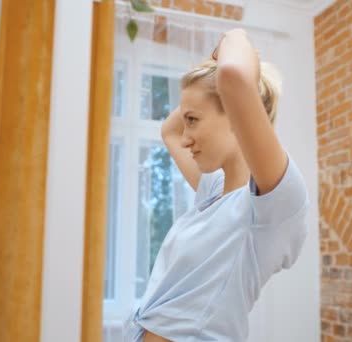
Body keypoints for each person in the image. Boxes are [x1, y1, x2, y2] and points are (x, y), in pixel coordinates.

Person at [123, 28, 310, 342]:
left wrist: (231, 37)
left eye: (193, 120)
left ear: (236, 115)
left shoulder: (271, 207)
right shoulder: (213, 191)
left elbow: (233, 75)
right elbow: (169, 131)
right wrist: (206, 77)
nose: (185, 135)